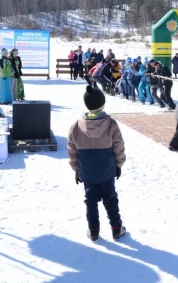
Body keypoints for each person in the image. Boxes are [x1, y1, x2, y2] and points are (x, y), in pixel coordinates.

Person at [68, 85, 126, 241]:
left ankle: (93, 230)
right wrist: (118, 165)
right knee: (110, 199)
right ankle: (116, 228)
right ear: (103, 103)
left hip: (87, 171)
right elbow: (118, 146)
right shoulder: (111, 124)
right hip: (107, 170)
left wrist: (76, 169)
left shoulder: (76, 126)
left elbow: (72, 151)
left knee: (91, 200)